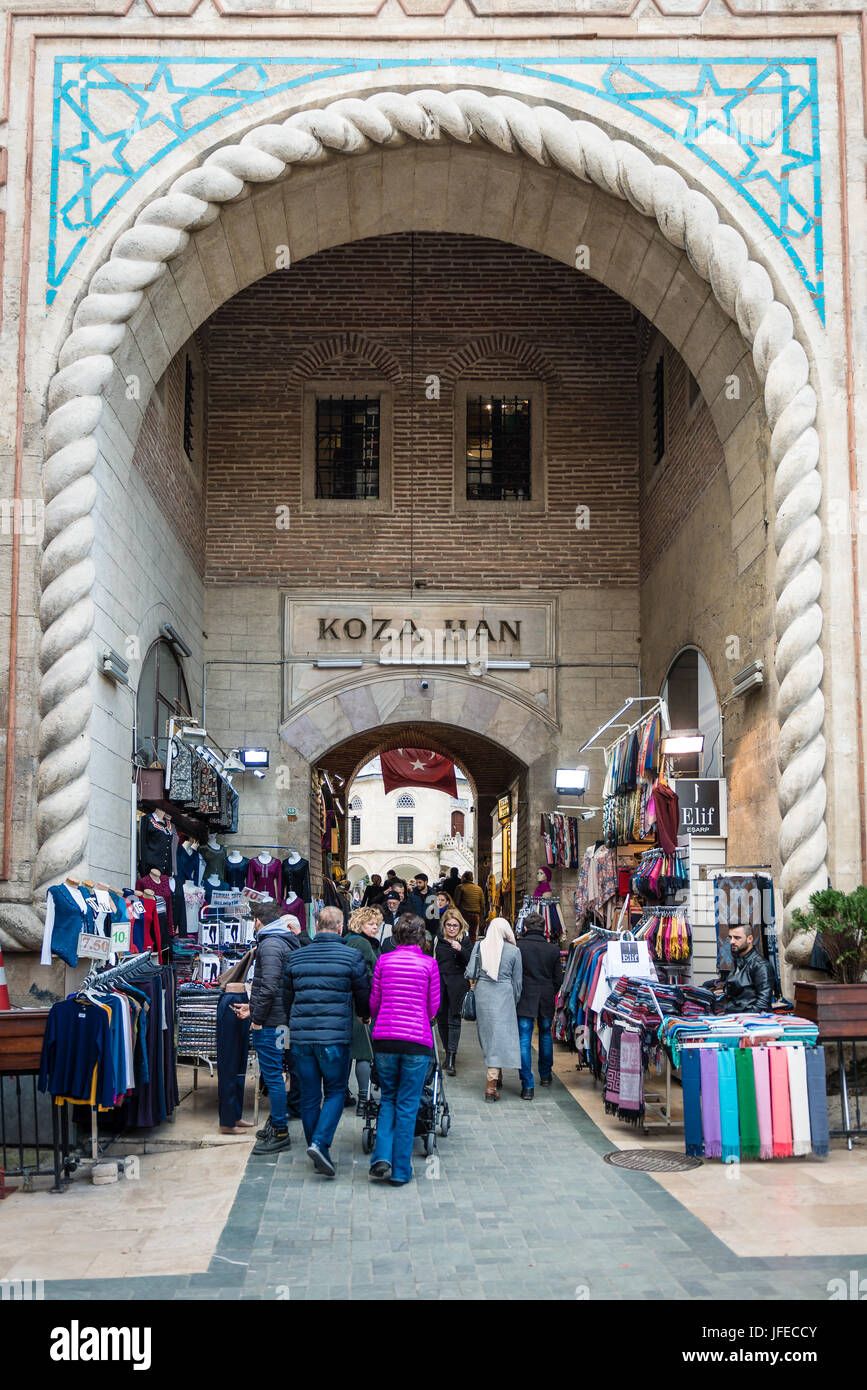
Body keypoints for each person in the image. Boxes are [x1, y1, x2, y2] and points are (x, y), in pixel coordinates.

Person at [281, 904, 370, 1177]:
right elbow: (363, 994)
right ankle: (320, 1143)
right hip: (334, 1038)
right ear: (341, 927)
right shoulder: (351, 957)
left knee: (309, 1096)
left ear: (317, 926)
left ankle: (316, 1146)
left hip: (301, 1038)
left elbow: (285, 1000)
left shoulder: (296, 958)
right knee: (334, 1092)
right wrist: (365, 1015)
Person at [368, 915, 441, 1186]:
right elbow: (434, 1007)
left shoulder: (383, 961)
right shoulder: (429, 964)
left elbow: (374, 1002)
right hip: (416, 1041)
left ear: (396, 936)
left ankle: (381, 1157)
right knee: (408, 1103)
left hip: (385, 1039)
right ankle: (400, 1170)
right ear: (421, 937)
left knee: (388, 1098)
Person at [233, 902, 301, 1154]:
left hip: (272, 1022)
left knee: (273, 1076)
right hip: (281, 1019)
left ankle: (281, 1132)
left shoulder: (270, 944)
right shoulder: (282, 941)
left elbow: (269, 986)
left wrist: (257, 1018)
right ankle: (277, 1123)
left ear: (259, 921)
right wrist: (253, 1008)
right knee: (278, 1075)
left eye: (253, 919)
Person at [466, 916, 523, 1102]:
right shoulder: (514, 951)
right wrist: (513, 1001)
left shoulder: (480, 946)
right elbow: (518, 982)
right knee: (500, 1036)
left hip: (483, 992)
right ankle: (490, 1087)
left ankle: (495, 1076)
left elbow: (470, 971)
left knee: (488, 1035)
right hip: (504, 994)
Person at [515, 911, 563, 1099]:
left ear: (525, 928)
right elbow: (558, 978)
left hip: (525, 995)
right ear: (543, 929)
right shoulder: (552, 950)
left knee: (524, 1039)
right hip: (546, 996)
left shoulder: (519, 947)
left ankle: (527, 1085)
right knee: (545, 1035)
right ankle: (545, 1075)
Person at [344, 906, 383, 1114]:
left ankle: (342, 1094)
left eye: (376, 923)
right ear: (360, 924)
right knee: (363, 1052)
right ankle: (363, 1100)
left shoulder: (348, 940)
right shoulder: (362, 943)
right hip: (361, 1003)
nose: (375, 927)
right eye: (370, 923)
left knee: (347, 1052)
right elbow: (374, 972)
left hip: (346, 1002)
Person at [435, 908, 472, 1075]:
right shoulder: (438, 940)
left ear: (460, 926)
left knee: (454, 1019)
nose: (451, 928)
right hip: (440, 983)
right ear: (444, 925)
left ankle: (451, 1056)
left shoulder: (464, 940)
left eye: (455, 925)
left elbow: (471, 961)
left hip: (457, 983)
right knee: (442, 1019)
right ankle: (447, 1049)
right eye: (449, 925)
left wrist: (460, 950)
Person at [723, 924, 773, 1012]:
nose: (732, 942)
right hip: (732, 1016)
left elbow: (763, 1005)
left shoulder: (760, 965)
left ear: (750, 939)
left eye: (737, 938)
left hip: (748, 1021)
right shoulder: (738, 959)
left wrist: (741, 1020)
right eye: (730, 937)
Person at [454, 870, 486, 942]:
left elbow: (456, 903)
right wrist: (480, 916)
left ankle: (463, 949)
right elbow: (482, 904)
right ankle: (472, 949)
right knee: (473, 934)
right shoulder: (479, 889)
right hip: (476, 915)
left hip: (464, 914)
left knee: (462, 933)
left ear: (464, 878)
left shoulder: (460, 887)